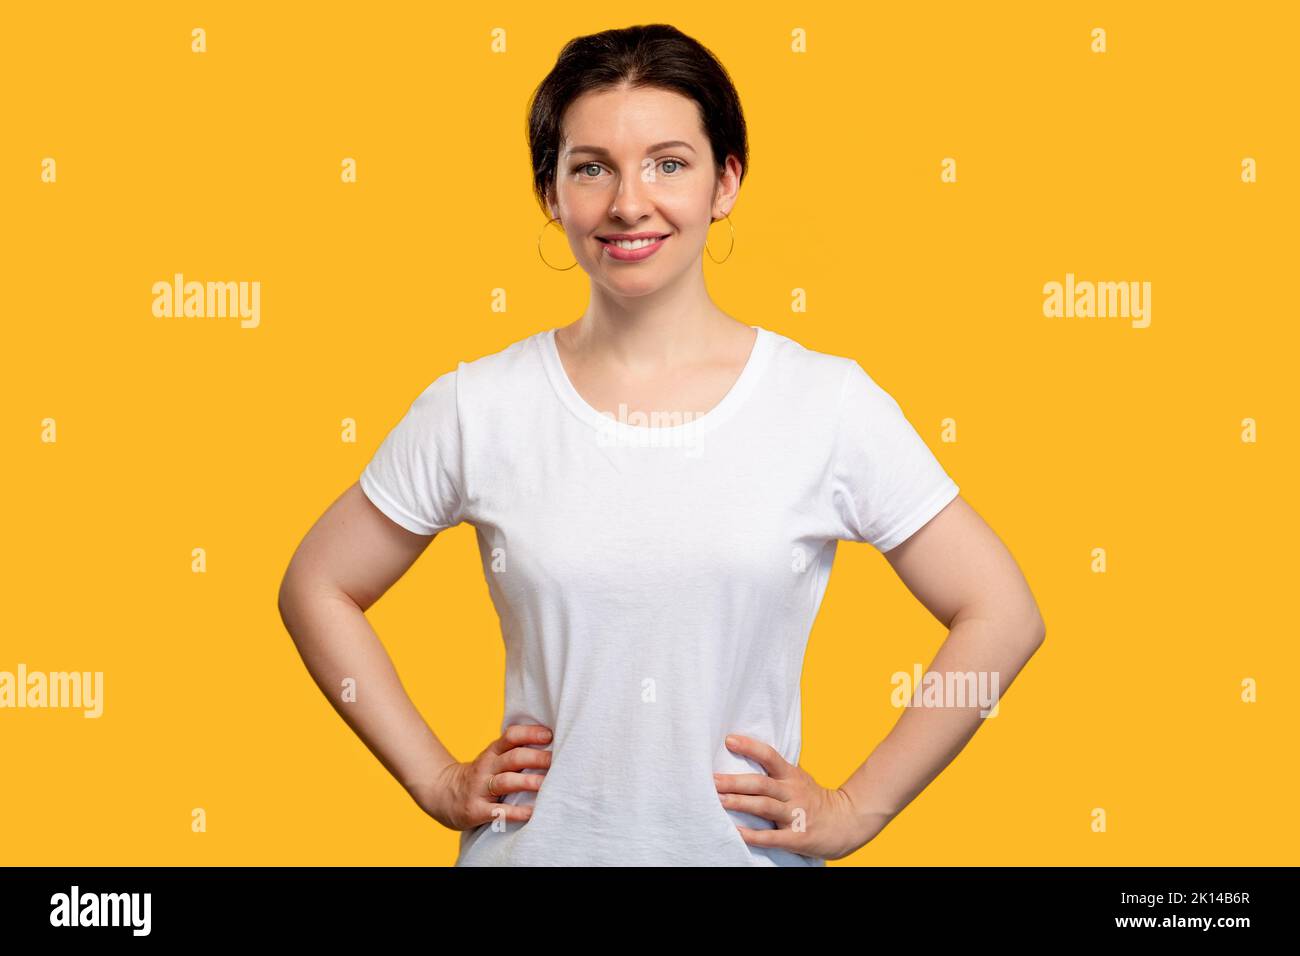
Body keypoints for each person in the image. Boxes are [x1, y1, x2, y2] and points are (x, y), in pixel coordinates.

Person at [277, 23, 1046, 867]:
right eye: (592, 166)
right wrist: (433, 779)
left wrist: (860, 807)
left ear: (726, 182)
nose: (628, 202)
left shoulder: (823, 403)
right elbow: (318, 585)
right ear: (551, 192)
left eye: (669, 163)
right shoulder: (480, 404)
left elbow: (1002, 613)